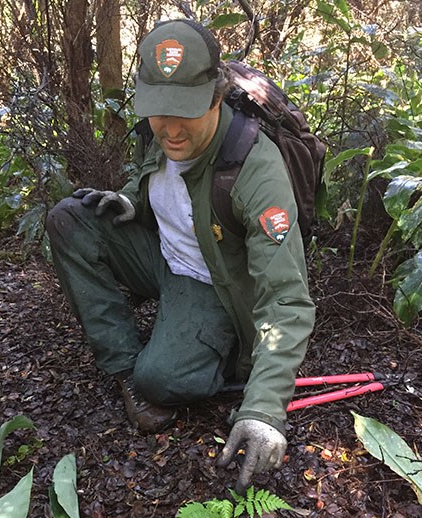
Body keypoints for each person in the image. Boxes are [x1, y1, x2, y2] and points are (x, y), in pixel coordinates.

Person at [46, 19, 315, 493]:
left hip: (213, 282)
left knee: (162, 381)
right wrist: (131, 200)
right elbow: (158, 178)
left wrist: (263, 409)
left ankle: (172, 363)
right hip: (162, 256)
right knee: (70, 218)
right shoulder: (162, 129)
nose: (169, 129)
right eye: (158, 111)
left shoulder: (255, 169)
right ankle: (124, 366)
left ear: (216, 95)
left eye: (184, 112)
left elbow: (288, 299)